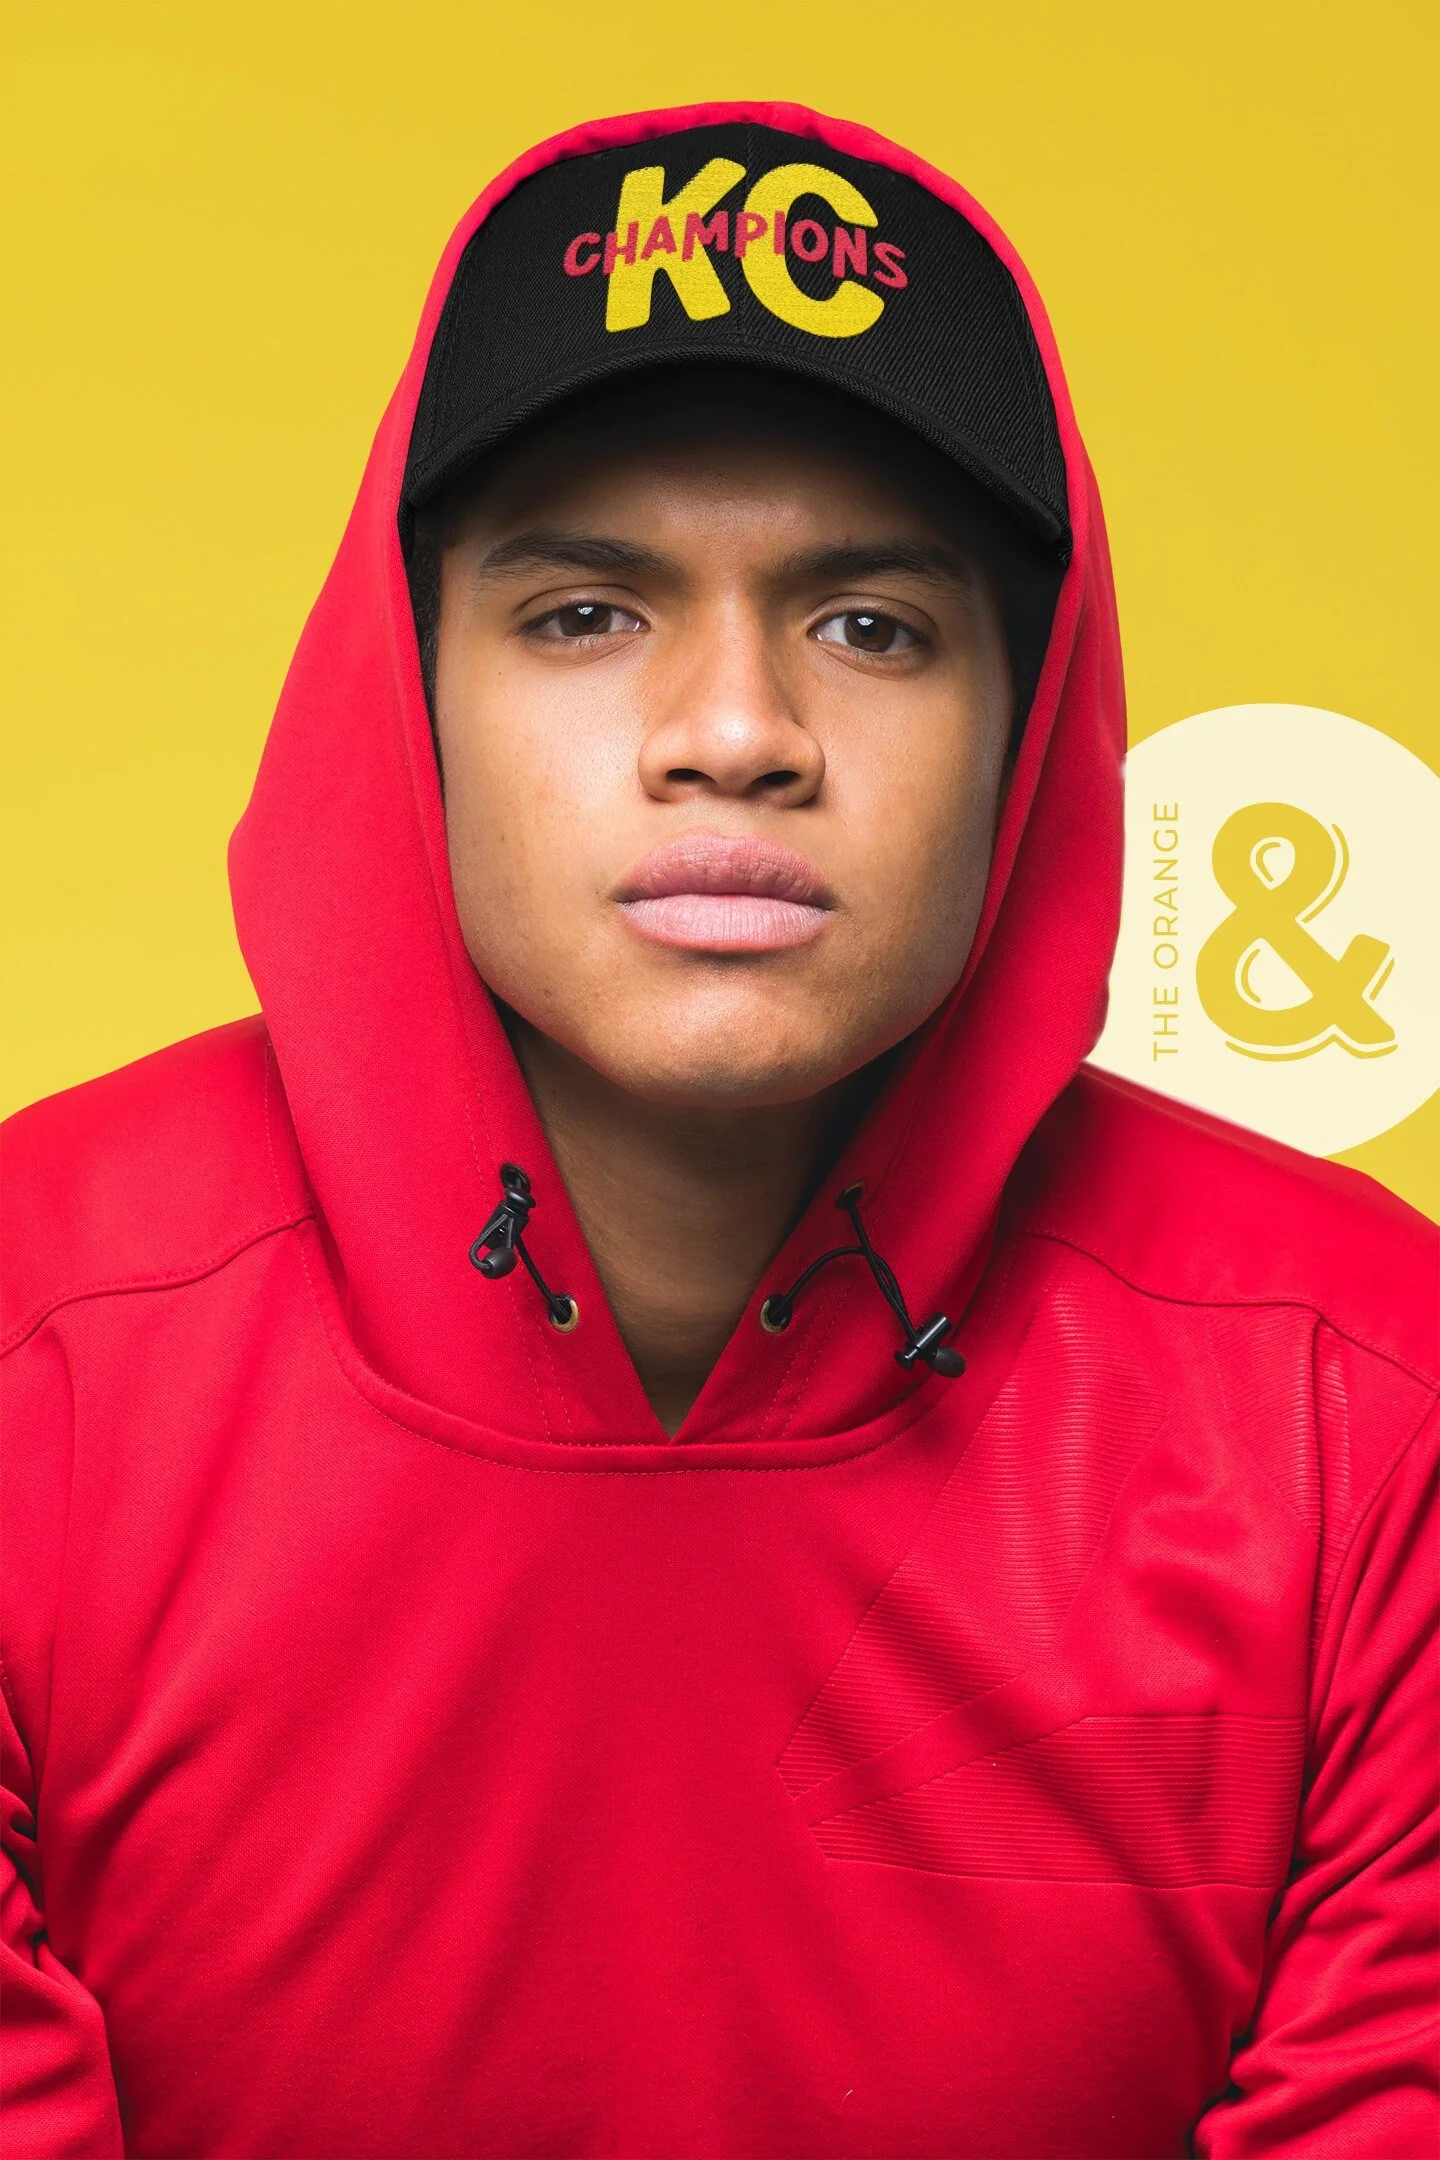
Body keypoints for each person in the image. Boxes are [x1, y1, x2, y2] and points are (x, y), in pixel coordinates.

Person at [1, 102, 1434, 2160]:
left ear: (1029, 724)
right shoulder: (35, 1352)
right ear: (407, 689)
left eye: (874, 626)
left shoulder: (1368, 1402)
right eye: (585, 612)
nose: (738, 731)